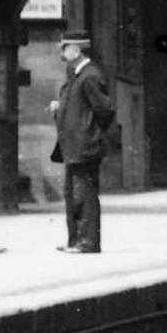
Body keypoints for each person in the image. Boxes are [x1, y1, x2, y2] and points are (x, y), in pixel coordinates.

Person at [50, 31, 116, 253]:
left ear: (76, 50)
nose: (61, 52)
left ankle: (87, 241)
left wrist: (90, 133)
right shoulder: (78, 75)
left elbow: (104, 110)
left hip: (84, 145)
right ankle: (76, 240)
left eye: (64, 48)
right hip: (75, 145)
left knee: (83, 194)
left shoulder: (89, 76)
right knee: (73, 193)